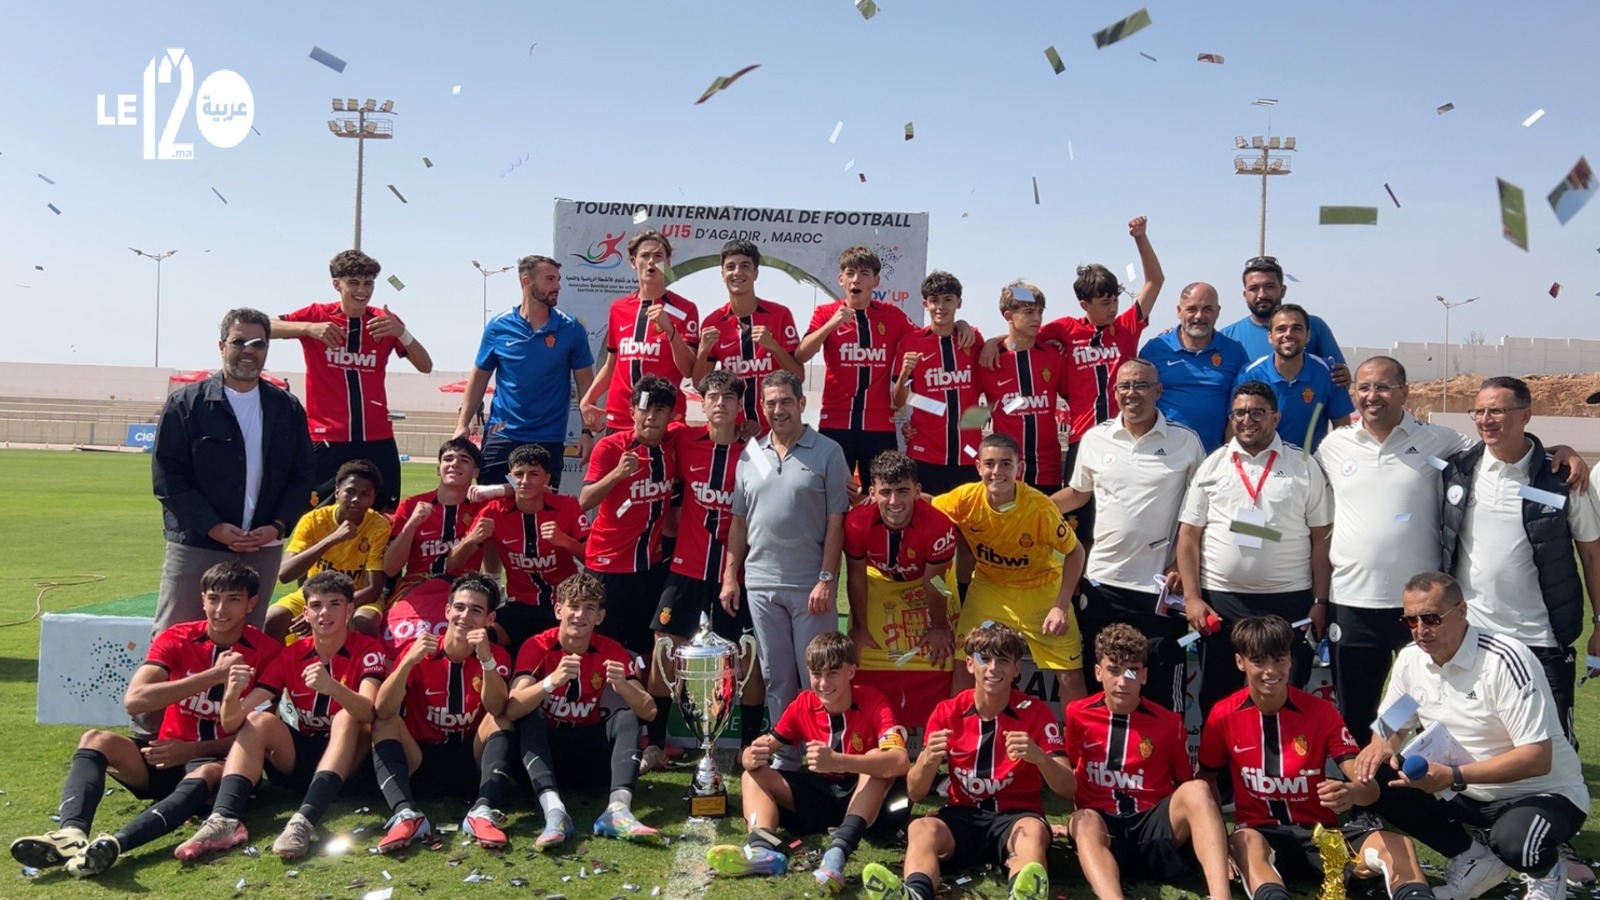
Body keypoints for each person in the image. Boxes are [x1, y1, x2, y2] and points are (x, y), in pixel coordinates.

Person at [1317, 360, 1591, 748]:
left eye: (1383, 387)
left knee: (1433, 706)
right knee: (1359, 710)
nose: (1371, 396)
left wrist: (1561, 452)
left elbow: (1505, 447)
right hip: (1353, 603)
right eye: (1363, 388)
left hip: (1426, 609)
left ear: (1404, 392)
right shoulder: (1333, 446)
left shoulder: (1441, 442)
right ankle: (1370, 797)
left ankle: (1438, 789)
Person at [10, 561, 283, 878]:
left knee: (208, 769)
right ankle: (70, 834)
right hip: (163, 758)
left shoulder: (269, 652)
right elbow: (135, 701)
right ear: (202, 599)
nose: (220, 609)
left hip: (217, 765)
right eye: (213, 598)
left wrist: (190, 751)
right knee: (95, 739)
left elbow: (259, 734)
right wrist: (212, 676)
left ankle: (116, 845)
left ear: (251, 603)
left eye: (233, 599)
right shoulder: (178, 637)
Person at [1355, 572, 1590, 900]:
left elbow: (1538, 756)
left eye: (1431, 618)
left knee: (1515, 842)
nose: (1421, 631)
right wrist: (1380, 747)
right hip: (1462, 789)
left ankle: (1545, 875)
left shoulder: (1504, 659)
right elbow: (1390, 727)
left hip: (1540, 793)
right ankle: (1473, 858)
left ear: (1462, 611)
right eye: (1410, 620)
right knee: (1372, 775)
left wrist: (1453, 776)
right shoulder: (1412, 660)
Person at [1199, 615, 1439, 900]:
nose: (1270, 671)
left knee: (1399, 844)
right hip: (1261, 837)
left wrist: (1350, 793)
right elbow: (1207, 779)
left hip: (1322, 837)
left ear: (1290, 659)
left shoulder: (1321, 711)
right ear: (1240, 662)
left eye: (1278, 659)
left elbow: (1370, 789)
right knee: (1244, 840)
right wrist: (1217, 848)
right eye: (1258, 661)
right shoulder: (1223, 715)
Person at [171, 571, 386, 860]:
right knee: (260, 720)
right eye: (316, 605)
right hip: (302, 760)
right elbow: (235, 721)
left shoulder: (368, 649)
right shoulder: (292, 654)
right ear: (305, 612)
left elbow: (369, 711)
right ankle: (224, 819)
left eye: (334, 604)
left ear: (349, 610)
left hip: (351, 765)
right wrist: (233, 695)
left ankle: (303, 821)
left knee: (346, 718)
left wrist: (332, 687)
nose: (325, 613)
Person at [860, 622, 1072, 900]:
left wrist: (1040, 758)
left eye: (1003, 660)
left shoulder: (1036, 713)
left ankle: (1024, 895)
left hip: (1016, 814)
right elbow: (915, 792)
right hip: (964, 814)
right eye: (985, 659)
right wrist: (927, 759)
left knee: (1032, 832)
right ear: (970, 664)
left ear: (1016, 669)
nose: (993, 668)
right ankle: (915, 894)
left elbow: (1068, 787)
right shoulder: (947, 712)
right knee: (921, 827)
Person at [151, 307, 314, 638]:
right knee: (177, 637)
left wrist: (278, 526)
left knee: (246, 641)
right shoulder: (187, 405)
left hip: (262, 548)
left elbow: (302, 475)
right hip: (198, 544)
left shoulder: (287, 408)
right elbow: (168, 478)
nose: (249, 352)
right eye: (240, 342)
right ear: (222, 345)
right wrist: (213, 527)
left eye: (259, 344)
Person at [1052, 359, 1205, 711]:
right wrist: (1029, 507)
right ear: (1115, 391)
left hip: (1161, 593)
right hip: (1103, 583)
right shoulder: (1095, 438)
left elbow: (1202, 513)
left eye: (1140, 385)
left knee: (1161, 694)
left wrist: (1184, 567)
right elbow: (1078, 494)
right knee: (1100, 690)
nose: (1131, 394)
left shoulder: (1186, 442)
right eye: (1124, 387)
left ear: (1158, 391)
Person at [707, 631, 911, 892]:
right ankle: (762, 851)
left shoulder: (874, 701)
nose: (823, 683)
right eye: (816, 674)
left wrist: (838, 761)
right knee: (753, 774)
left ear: (851, 671)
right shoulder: (803, 703)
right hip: (823, 795)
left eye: (832, 673)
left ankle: (837, 854)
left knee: (876, 760)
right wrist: (750, 754)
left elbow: (900, 762)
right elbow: (767, 745)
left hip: (873, 804)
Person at [1177, 382, 1333, 714]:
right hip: (1222, 602)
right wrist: (1192, 598)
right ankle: (1218, 768)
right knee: (1220, 703)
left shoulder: (1303, 465)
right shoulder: (1213, 464)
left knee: (1285, 699)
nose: (1248, 419)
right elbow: (1188, 535)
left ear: (1275, 417)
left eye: (1257, 412)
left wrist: (1320, 600)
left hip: (1288, 601)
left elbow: (1322, 538)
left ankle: (1283, 766)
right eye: (1240, 412)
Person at [645, 370, 766, 771]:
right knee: (665, 647)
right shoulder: (683, 439)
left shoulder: (757, 451)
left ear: (739, 406)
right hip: (687, 569)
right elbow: (647, 431)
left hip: (740, 574)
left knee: (747, 657)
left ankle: (748, 746)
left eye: (728, 398)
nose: (720, 404)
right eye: (713, 397)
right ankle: (655, 742)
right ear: (703, 402)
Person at [722, 370, 850, 740]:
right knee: (775, 676)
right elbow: (739, 523)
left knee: (818, 678)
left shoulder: (829, 452)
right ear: (762, 406)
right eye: (771, 403)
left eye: (786, 402)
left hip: (810, 586)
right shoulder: (752, 454)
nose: (778, 410)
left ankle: (822, 756)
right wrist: (732, 576)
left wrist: (826, 579)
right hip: (761, 585)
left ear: (802, 403)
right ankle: (786, 759)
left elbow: (836, 524)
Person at [1064, 624, 1233, 900]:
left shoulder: (1169, 722)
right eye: (1113, 670)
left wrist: (1219, 846)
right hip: (1103, 830)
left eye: (1132, 671)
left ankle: (1220, 896)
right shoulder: (1077, 714)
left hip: (1152, 830)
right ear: (1098, 672)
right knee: (1083, 819)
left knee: (1198, 790)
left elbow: (1183, 785)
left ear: (1144, 676)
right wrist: (1073, 823)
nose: (1122, 681)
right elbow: (1071, 771)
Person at [508, 573, 661, 849]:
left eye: (589, 608)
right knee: (531, 716)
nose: (580, 615)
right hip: (544, 757)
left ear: (600, 616)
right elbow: (513, 708)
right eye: (574, 606)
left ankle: (618, 810)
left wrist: (624, 686)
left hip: (590, 759)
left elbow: (649, 711)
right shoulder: (537, 645)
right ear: (558, 610)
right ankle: (554, 811)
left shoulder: (610, 649)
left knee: (627, 715)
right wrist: (550, 681)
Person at [272, 249, 434, 511]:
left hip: (377, 437)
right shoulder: (316, 316)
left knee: (383, 518)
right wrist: (307, 328)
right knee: (319, 518)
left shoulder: (385, 321)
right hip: (327, 438)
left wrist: (402, 333)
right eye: (354, 282)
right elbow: (262, 326)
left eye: (369, 283)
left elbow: (425, 366)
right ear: (337, 284)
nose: (363, 290)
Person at [1039, 216, 1165, 547]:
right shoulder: (1065, 328)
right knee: (1077, 525)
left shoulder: (1126, 326)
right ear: (1084, 304)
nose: (1113, 308)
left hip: (1124, 437)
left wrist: (1140, 238)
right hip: (1083, 438)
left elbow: (1155, 280)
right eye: (1104, 303)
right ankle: (1074, 592)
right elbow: (1024, 336)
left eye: (1115, 300)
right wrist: (994, 342)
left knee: (1120, 518)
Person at [934, 433, 1088, 703]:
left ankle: (1077, 745)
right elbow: (926, 506)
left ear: (1020, 467)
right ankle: (957, 742)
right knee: (964, 666)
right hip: (989, 587)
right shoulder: (964, 499)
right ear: (979, 467)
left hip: (1040, 590)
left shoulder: (1040, 507)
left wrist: (1060, 606)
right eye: (990, 463)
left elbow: (1075, 551)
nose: (997, 471)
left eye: (1006, 464)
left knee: (1071, 677)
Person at [368, 574, 516, 853]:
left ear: (490, 618)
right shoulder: (418, 649)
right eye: (459, 607)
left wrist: (486, 659)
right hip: (421, 759)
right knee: (385, 723)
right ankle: (407, 814)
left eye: (476, 610)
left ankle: (482, 811)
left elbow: (496, 708)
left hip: (470, 761)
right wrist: (408, 662)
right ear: (447, 610)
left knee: (503, 717)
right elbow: (383, 709)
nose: (464, 616)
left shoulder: (496, 655)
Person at [455, 254, 597, 490]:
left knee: (540, 516)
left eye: (558, 280)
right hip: (502, 436)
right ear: (526, 281)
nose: (557, 286)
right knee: (490, 511)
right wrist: (463, 424)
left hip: (548, 439)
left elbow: (586, 385)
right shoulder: (498, 326)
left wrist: (586, 431)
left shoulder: (571, 329)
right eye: (550, 279)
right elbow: (479, 378)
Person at [845, 450, 961, 728]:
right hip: (879, 582)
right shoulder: (856, 522)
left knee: (944, 650)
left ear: (917, 491)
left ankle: (942, 731)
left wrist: (938, 627)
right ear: (872, 491)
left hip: (929, 583)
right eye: (885, 492)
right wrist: (860, 629)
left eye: (902, 491)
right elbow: (856, 578)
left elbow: (935, 582)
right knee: (863, 650)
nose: (894, 502)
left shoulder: (938, 525)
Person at [796, 246, 917, 488]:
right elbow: (801, 354)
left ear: (876, 280)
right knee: (833, 498)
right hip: (836, 424)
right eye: (850, 273)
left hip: (880, 426)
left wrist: (963, 326)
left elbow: (925, 338)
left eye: (863, 273)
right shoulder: (826, 313)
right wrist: (831, 325)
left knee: (883, 496)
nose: (856, 279)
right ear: (841, 279)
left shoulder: (893, 316)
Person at [579, 374, 680, 663]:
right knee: (599, 645)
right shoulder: (610, 447)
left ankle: (640, 709)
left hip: (649, 567)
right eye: (644, 409)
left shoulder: (676, 441)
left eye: (660, 410)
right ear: (631, 411)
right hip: (607, 566)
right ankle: (592, 707)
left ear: (671, 415)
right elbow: (585, 501)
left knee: (647, 648)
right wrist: (618, 475)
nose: (651, 417)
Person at [455, 444, 587, 655]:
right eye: (519, 474)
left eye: (533, 474)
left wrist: (564, 541)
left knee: (566, 652)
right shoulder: (494, 511)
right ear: (510, 477)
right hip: (519, 606)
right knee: (477, 643)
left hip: (565, 604)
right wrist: (471, 539)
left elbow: (593, 558)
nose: (525, 481)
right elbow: (453, 562)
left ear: (547, 479)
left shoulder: (567, 506)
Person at [580, 230, 699, 434]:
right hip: (620, 417)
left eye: (658, 256)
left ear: (667, 262)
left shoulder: (685, 309)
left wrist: (670, 330)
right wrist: (588, 399)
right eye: (645, 255)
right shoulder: (618, 308)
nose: (651, 261)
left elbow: (688, 369)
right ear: (634, 262)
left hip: (664, 419)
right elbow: (612, 364)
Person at [381, 439, 488, 655]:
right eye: (448, 459)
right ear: (438, 468)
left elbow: (526, 490)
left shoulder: (484, 507)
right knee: (394, 647)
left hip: (462, 592)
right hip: (414, 589)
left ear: (475, 471)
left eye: (464, 460)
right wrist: (411, 525)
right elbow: (390, 568)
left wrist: (495, 489)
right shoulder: (412, 505)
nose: (454, 464)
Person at [264, 459, 390, 641]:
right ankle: (280, 669)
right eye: (350, 491)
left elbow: (373, 589)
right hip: (314, 595)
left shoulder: (378, 526)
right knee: (274, 619)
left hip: (358, 597)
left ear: (373, 498)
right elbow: (285, 574)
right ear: (337, 492)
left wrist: (329, 609)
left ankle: (355, 669)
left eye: (364, 494)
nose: (356, 499)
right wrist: (332, 539)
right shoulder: (313, 520)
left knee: (364, 623)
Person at [690, 239, 803, 435]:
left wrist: (773, 347)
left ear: (756, 273)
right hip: (736, 431)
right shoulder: (712, 322)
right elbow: (700, 384)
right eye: (730, 267)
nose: (737, 272)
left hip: (777, 429)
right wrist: (702, 353)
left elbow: (798, 377)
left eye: (745, 266)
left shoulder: (780, 314)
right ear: (722, 274)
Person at [973, 282, 1070, 494]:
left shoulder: (1053, 356)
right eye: (1028, 312)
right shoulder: (989, 359)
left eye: (1040, 311)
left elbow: (1075, 399)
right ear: (1008, 316)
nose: (1037, 318)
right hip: (1005, 474)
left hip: (1048, 470)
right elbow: (968, 416)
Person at [892, 270, 983, 495]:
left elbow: (1008, 344)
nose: (940, 306)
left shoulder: (972, 339)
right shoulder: (911, 342)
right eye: (934, 300)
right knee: (927, 520)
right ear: (925, 304)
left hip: (968, 452)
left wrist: (988, 339)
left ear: (958, 302)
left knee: (966, 524)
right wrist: (904, 374)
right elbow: (898, 401)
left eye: (948, 300)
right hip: (924, 451)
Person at [1138, 282, 1251, 453]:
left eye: (1207, 309)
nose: (1199, 316)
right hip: (1164, 457)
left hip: (1214, 457)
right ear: (1179, 311)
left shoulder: (1235, 352)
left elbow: (1241, 408)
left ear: (1218, 311)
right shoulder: (1155, 349)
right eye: (1191, 309)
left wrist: (1229, 455)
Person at [1234, 304, 1353, 453]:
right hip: (1262, 467)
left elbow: (1342, 428)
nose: (1288, 334)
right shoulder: (1249, 374)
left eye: (1296, 328)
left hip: (1309, 467)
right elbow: (1235, 426)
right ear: (1270, 337)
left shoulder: (1329, 372)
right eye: (1281, 329)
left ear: (1308, 335)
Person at [1219, 255, 1348, 384]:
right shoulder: (1227, 337)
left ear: (1283, 290)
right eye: (1254, 289)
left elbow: (1339, 378)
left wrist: (1344, 377)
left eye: (1269, 286)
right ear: (1245, 295)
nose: (1262, 294)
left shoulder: (1313, 326)